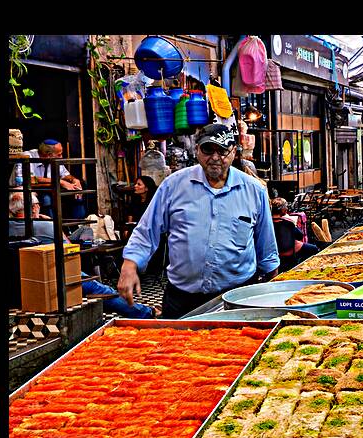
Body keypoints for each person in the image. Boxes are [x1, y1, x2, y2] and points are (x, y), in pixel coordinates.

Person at [119, 124, 279, 318]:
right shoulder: (173, 185)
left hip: (237, 298)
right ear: (196, 151)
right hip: (182, 300)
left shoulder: (254, 190)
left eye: (222, 150)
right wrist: (129, 265)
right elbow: (146, 230)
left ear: (234, 151)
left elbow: (267, 248)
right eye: (207, 149)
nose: (215, 157)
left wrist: (272, 290)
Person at [10, 193, 155, 317]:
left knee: (84, 232)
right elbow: (68, 249)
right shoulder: (45, 225)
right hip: (54, 273)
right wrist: (49, 222)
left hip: (22, 277)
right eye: (38, 204)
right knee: (101, 290)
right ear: (34, 207)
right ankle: (145, 313)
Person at [13, 139, 88, 219]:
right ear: (48, 155)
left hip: (49, 190)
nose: (61, 157)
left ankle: (76, 225)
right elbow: (26, 179)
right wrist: (60, 182)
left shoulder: (53, 159)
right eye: (59, 155)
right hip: (25, 192)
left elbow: (65, 174)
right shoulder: (27, 156)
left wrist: (74, 180)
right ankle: (52, 228)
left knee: (76, 193)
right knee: (46, 199)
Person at [272, 196, 317, 270]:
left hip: (276, 251)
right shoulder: (287, 222)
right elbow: (300, 235)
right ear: (282, 209)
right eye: (286, 206)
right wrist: (294, 225)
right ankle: (305, 268)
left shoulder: (268, 223)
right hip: (288, 251)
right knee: (314, 249)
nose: (287, 208)